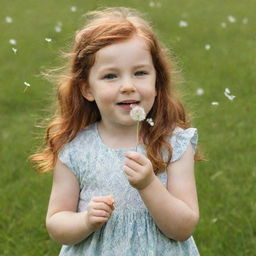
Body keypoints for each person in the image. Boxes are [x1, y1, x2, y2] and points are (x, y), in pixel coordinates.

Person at [30, 6, 203, 256]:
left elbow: (182, 228)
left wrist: (148, 185)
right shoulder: (75, 148)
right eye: (111, 76)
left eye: (140, 73)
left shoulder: (173, 143)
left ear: (157, 82)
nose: (128, 86)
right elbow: (57, 223)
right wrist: (86, 220)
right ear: (87, 89)